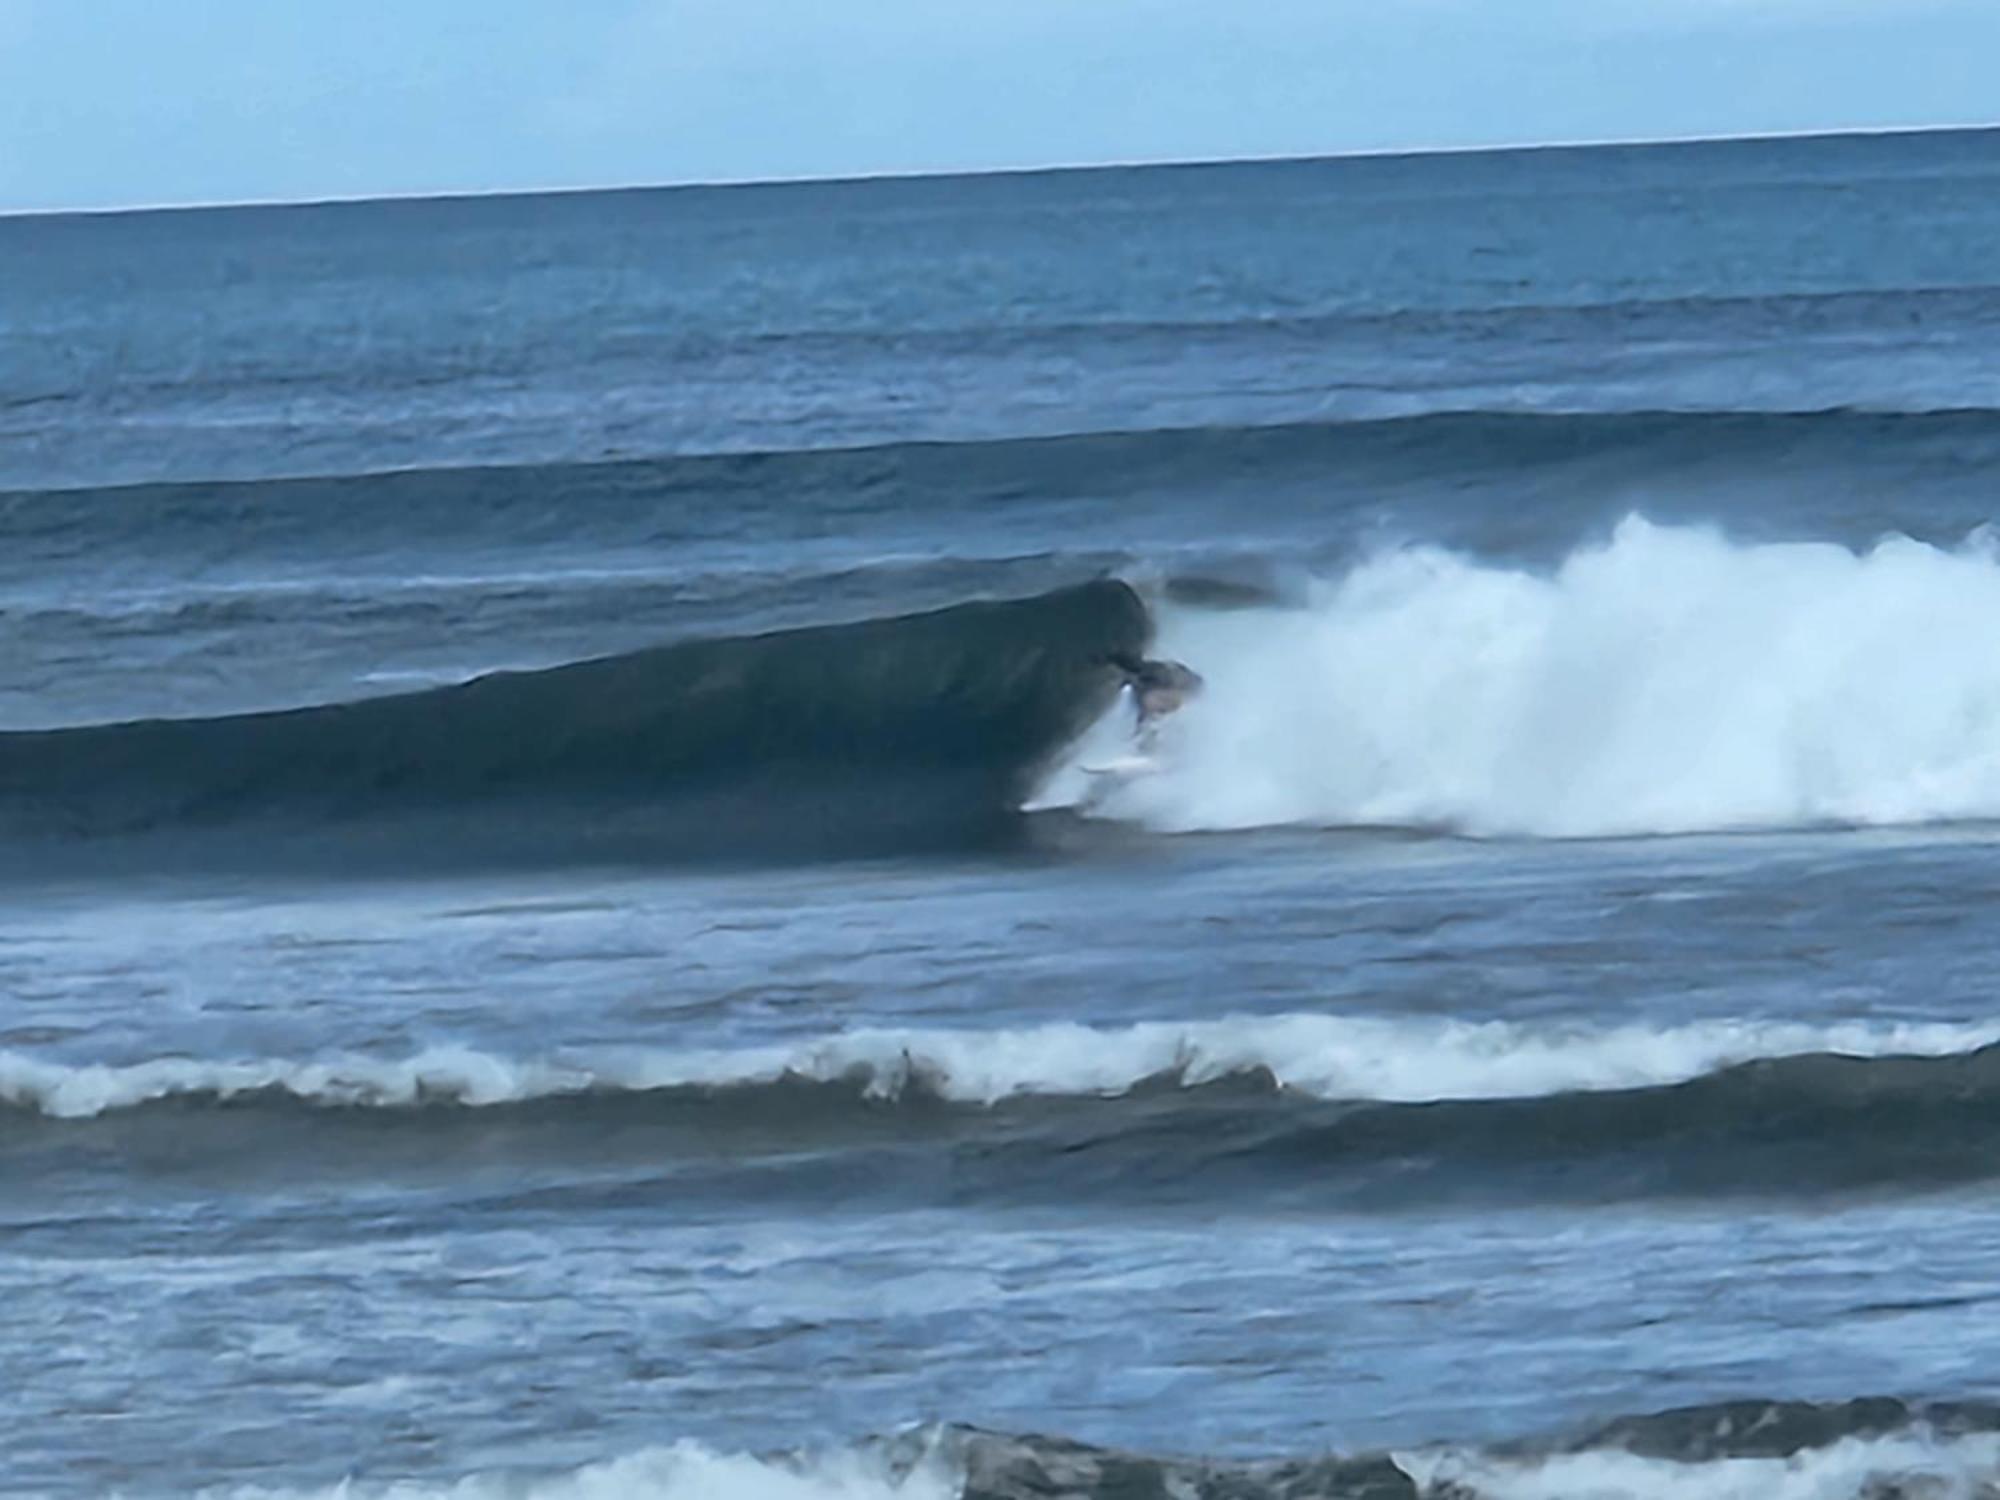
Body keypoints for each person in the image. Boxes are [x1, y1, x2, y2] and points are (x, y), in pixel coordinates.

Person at [1107, 651, 1204, 753]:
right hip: (1155, 680)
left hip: (1165, 683)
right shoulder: (1156, 678)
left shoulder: (1163, 700)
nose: (1164, 709)